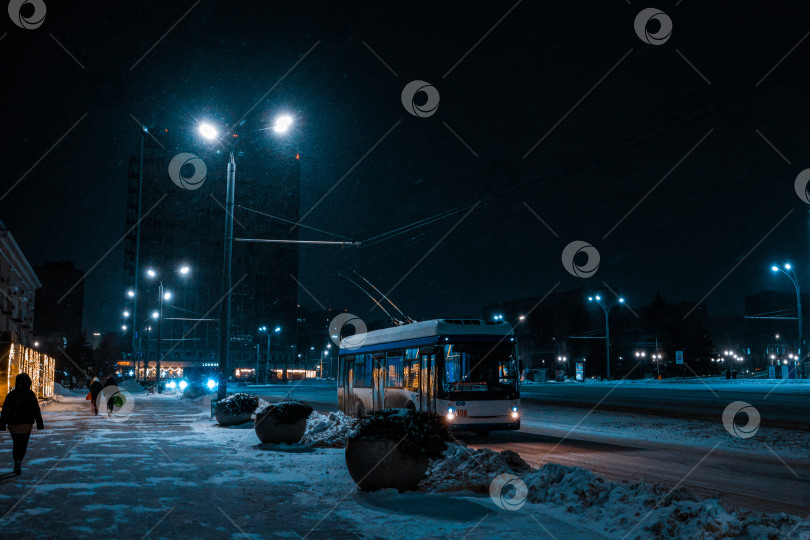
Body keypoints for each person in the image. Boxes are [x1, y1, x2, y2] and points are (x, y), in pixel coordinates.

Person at [0, 373, 44, 475]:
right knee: (23, 445)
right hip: (26, 424)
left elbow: (5, 410)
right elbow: (36, 410)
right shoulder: (30, 394)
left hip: (13, 424)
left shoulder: (11, 394)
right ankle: (19, 460)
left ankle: (17, 460)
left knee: (16, 443)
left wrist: (2, 424)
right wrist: (39, 423)